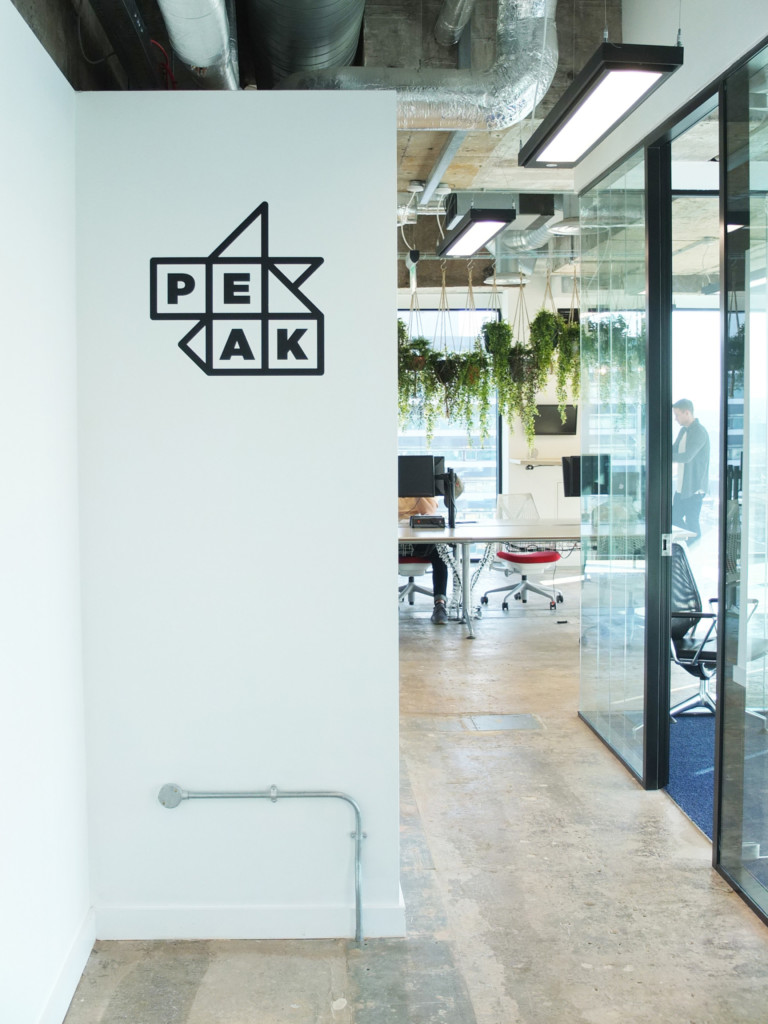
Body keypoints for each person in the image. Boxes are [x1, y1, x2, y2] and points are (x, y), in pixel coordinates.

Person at [398, 480, 461, 624]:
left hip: (418, 540)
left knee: (439, 552)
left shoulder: (424, 490)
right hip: (395, 540)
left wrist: (416, 492)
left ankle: (440, 605)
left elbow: (429, 512)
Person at [672, 398, 710, 542]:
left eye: (677, 415)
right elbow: (674, 450)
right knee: (673, 518)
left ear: (687, 412)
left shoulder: (699, 432)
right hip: (682, 487)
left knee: (692, 525)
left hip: (694, 488)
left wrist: (665, 457)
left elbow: (687, 457)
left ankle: (690, 550)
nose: (675, 419)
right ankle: (687, 544)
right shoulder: (683, 431)